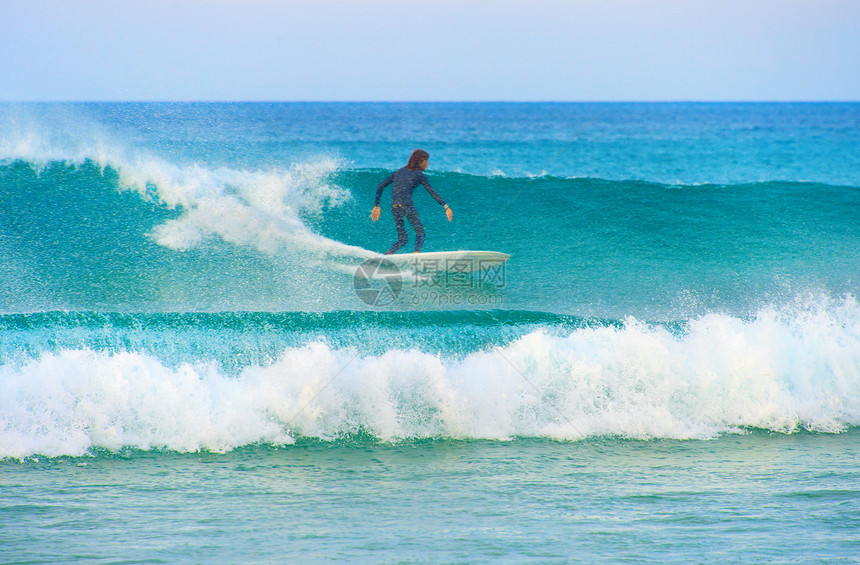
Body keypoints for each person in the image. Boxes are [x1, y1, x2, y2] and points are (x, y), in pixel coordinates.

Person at [371, 149, 453, 254]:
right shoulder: (419, 175)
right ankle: (416, 254)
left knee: (403, 239)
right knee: (421, 234)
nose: (428, 164)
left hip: (395, 207)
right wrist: (446, 207)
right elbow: (432, 192)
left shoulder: (399, 172)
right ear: (420, 162)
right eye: (426, 161)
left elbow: (380, 186)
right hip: (406, 206)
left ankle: (389, 253)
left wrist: (377, 205)